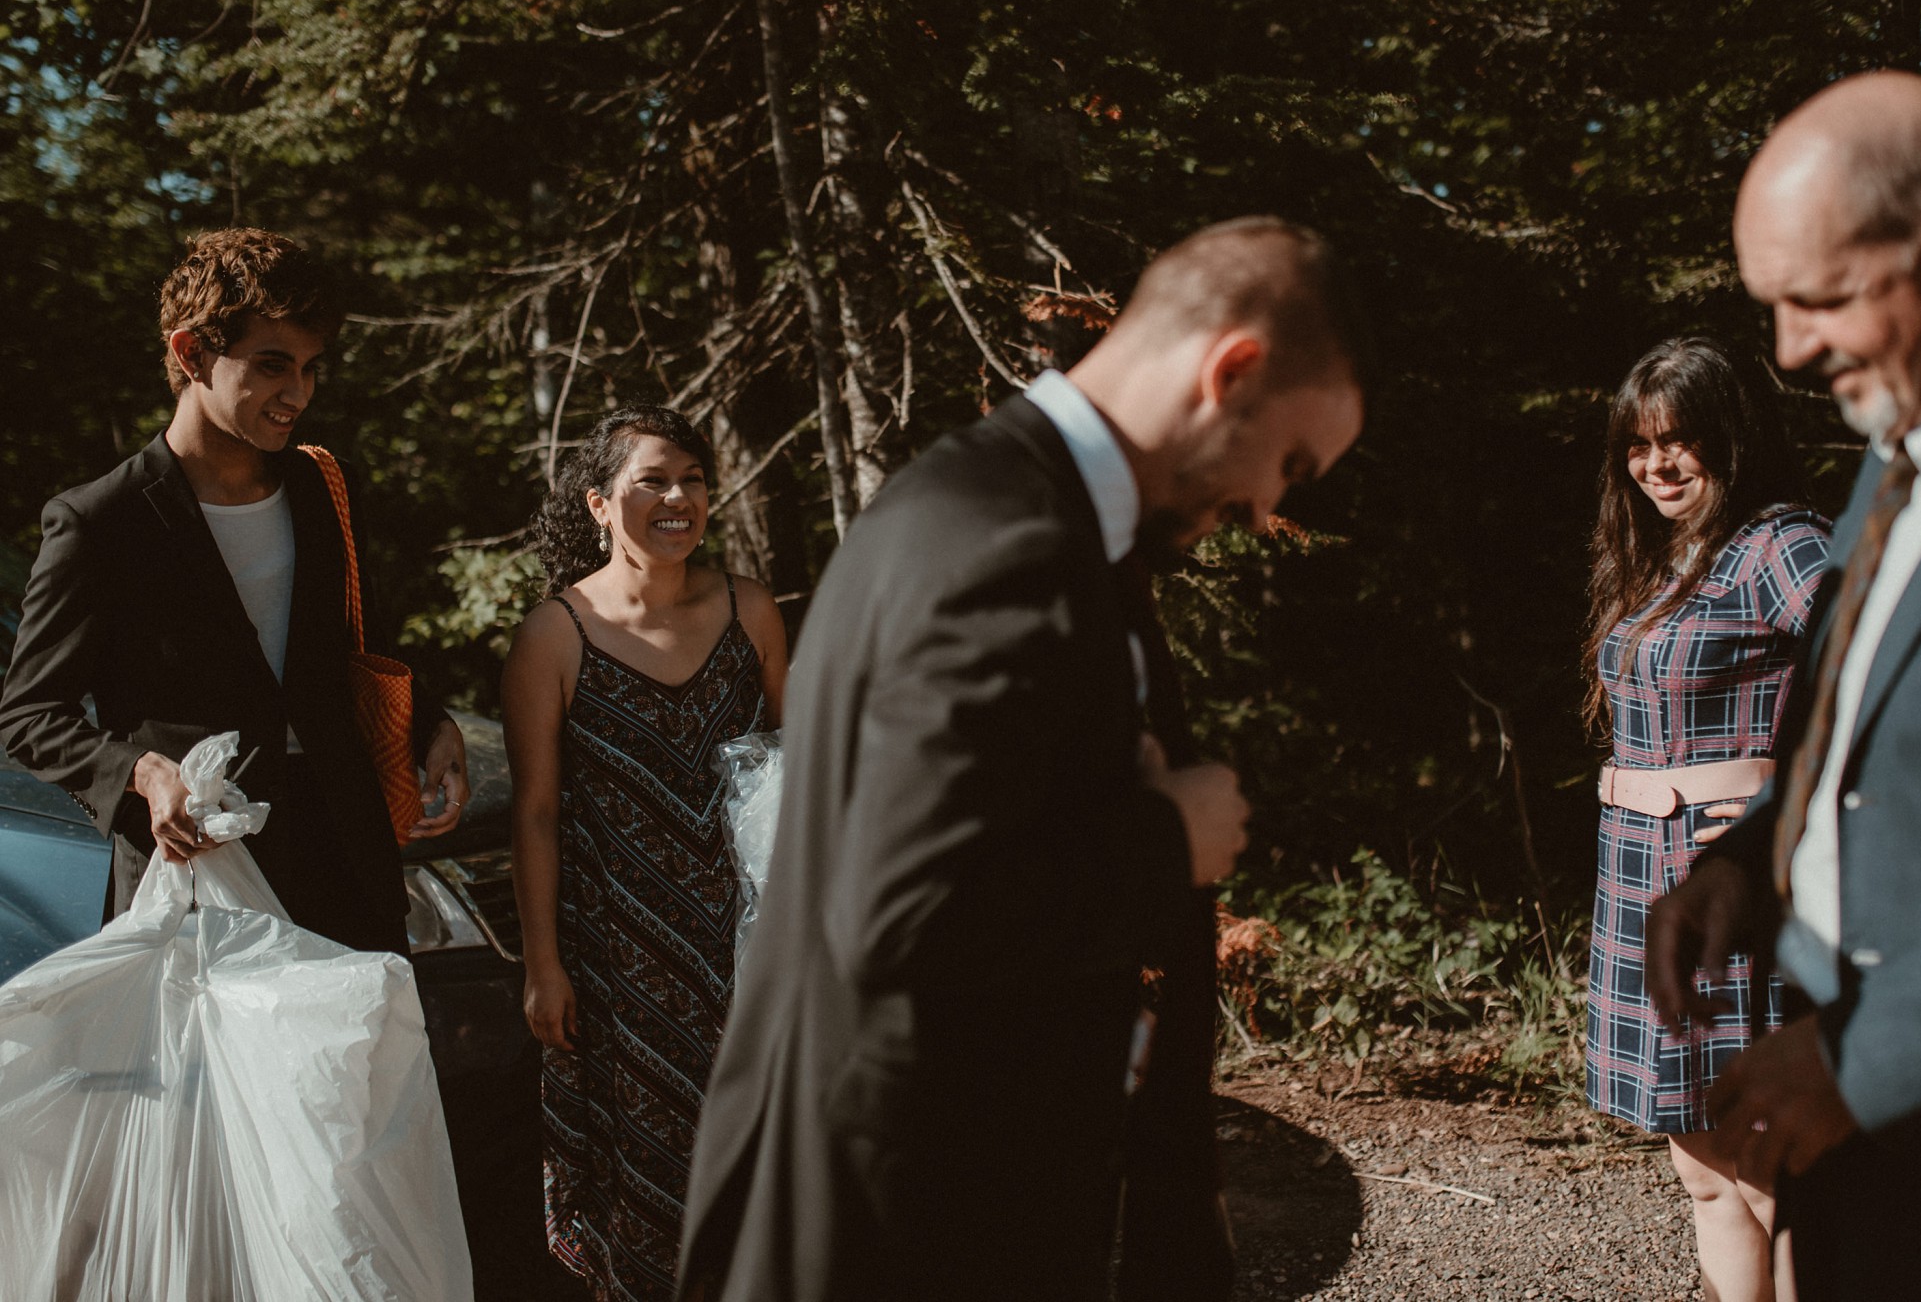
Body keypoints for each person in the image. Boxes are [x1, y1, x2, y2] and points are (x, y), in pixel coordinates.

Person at [672, 217, 1366, 1302]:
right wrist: (1164, 837)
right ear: (1230, 371)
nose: (1270, 505)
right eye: (1289, 461)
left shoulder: (1010, 509)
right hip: (903, 1231)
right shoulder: (1004, 540)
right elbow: (901, 912)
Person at [1645, 71, 1921, 1299]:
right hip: (1849, 1158)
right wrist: (1744, 867)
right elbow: (1876, 750)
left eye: (1817, 300)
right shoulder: (1893, 453)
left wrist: (1860, 1058)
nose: (1786, 349)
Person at [0, 227, 467, 954]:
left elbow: (353, 646)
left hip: (344, 863)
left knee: (357, 1069)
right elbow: (28, 716)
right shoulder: (101, 520)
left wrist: (431, 726)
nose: (298, 393)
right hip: (197, 872)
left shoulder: (322, 488)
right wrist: (141, 773)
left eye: (311, 369)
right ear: (191, 354)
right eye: (273, 365)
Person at [503, 405, 790, 1302]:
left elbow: (806, 763)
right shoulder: (555, 635)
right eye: (652, 482)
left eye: (693, 480)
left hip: (758, 946)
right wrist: (543, 966)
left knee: (775, 1167)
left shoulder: (750, 609)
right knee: (650, 1188)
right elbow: (538, 815)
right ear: (598, 504)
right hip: (622, 963)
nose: (678, 498)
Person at [1582, 336, 1830, 1302]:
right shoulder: (1657, 556)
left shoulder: (1782, 543)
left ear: (1733, 435)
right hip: (1641, 876)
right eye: (1640, 446)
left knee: (1767, 1167)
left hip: (1730, 879)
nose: (1659, 465)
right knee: (1700, 1170)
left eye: (1682, 440)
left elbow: (1874, 680)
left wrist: (1779, 803)